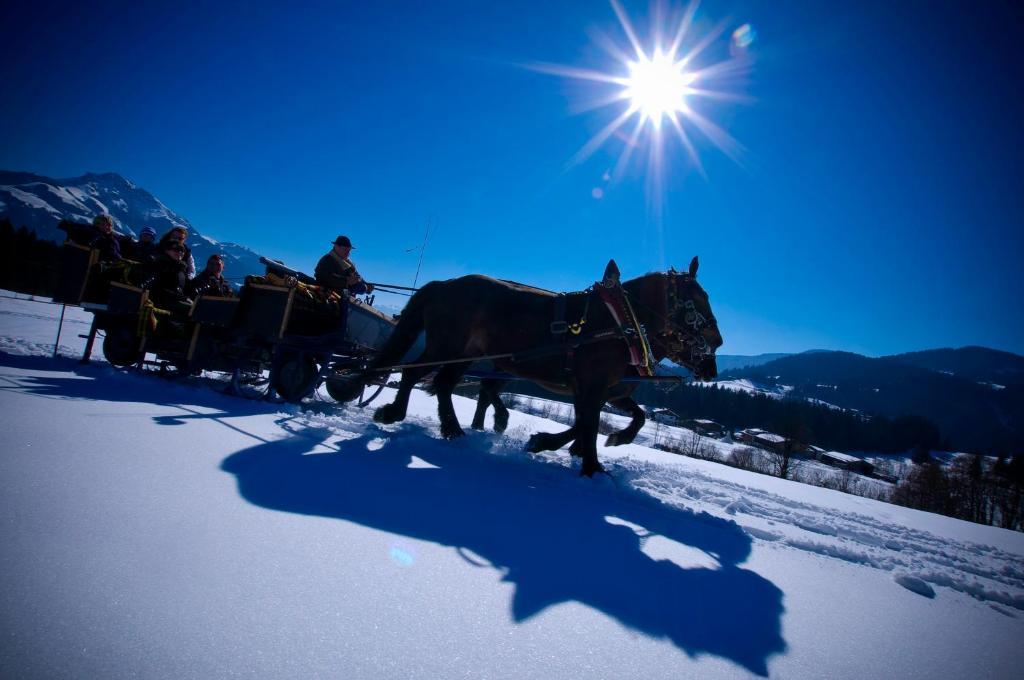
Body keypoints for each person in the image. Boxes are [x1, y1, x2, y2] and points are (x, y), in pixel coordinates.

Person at [139, 240, 192, 313]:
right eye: (176, 249)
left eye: (182, 250)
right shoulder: (159, 264)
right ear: (167, 251)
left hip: (174, 299)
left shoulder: (181, 267)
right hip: (159, 301)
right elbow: (153, 286)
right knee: (192, 309)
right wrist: (181, 298)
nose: (180, 252)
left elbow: (186, 286)